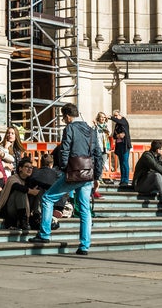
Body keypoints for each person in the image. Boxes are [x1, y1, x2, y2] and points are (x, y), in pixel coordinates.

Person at [29, 103, 103, 255]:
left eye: (63, 116)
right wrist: (97, 176)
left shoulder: (69, 128)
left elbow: (65, 150)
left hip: (73, 172)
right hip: (88, 173)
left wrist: (63, 168)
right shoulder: (91, 130)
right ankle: (84, 246)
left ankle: (44, 234)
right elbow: (98, 154)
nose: (64, 119)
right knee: (84, 209)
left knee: (48, 198)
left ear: (68, 116)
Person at [0, 157, 40, 229]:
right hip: (9, 210)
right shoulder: (13, 178)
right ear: (20, 168)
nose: (29, 169)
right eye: (27, 167)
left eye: (31, 168)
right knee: (21, 191)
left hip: (23, 210)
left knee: (39, 190)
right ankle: (22, 221)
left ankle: (36, 218)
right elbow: (16, 186)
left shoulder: (29, 180)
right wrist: (30, 191)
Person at [111, 110, 132, 186]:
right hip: (119, 146)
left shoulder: (124, 121)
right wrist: (118, 136)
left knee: (125, 163)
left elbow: (119, 121)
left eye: (116, 115)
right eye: (114, 116)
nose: (115, 117)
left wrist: (111, 117)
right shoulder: (117, 125)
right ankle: (122, 179)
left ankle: (125, 180)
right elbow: (114, 135)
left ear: (120, 115)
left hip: (125, 145)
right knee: (121, 163)